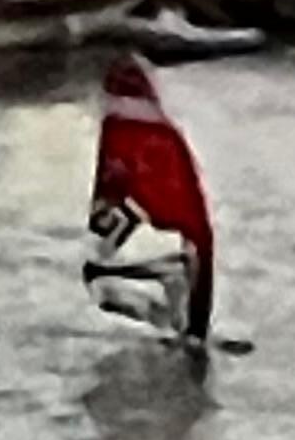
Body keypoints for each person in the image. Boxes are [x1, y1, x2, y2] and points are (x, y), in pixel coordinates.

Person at [84, 55, 215, 345]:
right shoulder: (158, 134)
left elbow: (112, 192)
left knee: (103, 280)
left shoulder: (127, 131)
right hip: (171, 245)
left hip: (155, 245)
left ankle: (173, 322)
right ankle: (179, 327)